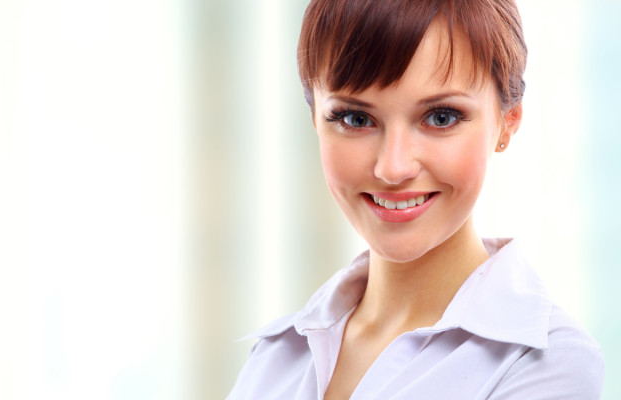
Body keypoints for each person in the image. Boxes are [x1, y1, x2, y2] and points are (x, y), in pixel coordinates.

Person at [227, 0, 604, 399]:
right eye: (356, 119)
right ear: (315, 120)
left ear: (507, 122)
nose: (393, 167)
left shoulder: (546, 363)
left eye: (441, 117)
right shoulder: (273, 359)